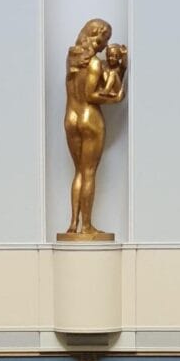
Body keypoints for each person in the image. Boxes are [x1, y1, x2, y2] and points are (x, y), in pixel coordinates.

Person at [59, 19, 128, 240]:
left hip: (71, 117)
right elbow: (91, 95)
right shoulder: (95, 64)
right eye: (105, 39)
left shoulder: (72, 59)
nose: (105, 45)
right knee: (88, 172)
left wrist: (119, 70)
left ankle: (73, 225)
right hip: (89, 118)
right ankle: (87, 227)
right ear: (97, 36)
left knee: (78, 172)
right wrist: (115, 98)